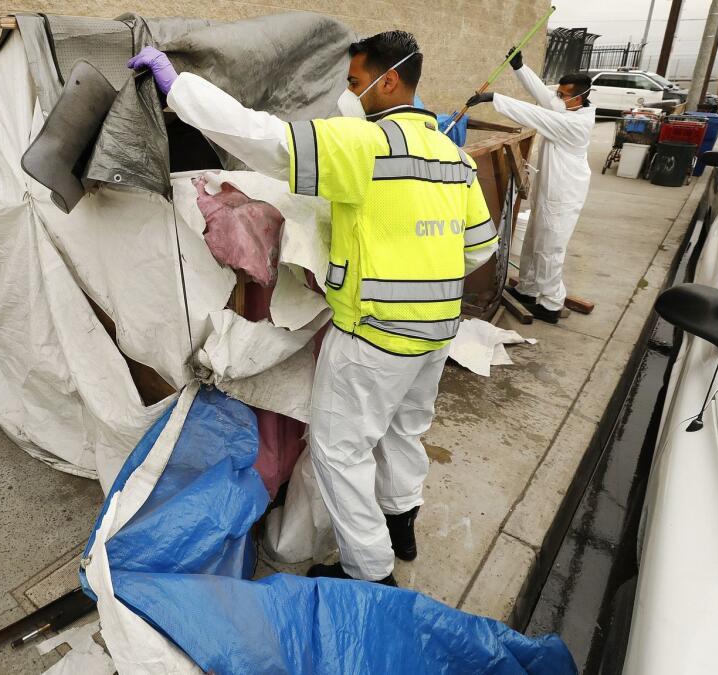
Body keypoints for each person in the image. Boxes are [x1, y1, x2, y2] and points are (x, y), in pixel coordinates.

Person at [129, 31, 497, 585]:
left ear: (388, 80)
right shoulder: (452, 157)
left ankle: (371, 574)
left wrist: (181, 88)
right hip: (436, 335)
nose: (350, 95)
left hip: (373, 337)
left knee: (338, 453)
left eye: (354, 82)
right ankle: (402, 526)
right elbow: (479, 248)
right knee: (404, 431)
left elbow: (267, 140)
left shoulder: (363, 146)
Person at [465, 50, 595, 324]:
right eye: (559, 92)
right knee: (534, 241)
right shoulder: (565, 106)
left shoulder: (576, 123)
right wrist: (519, 67)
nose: (557, 97)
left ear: (579, 98)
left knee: (550, 249)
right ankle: (528, 288)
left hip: (563, 195)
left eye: (563, 94)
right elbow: (543, 96)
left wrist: (494, 99)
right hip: (549, 191)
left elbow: (536, 113)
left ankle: (550, 303)